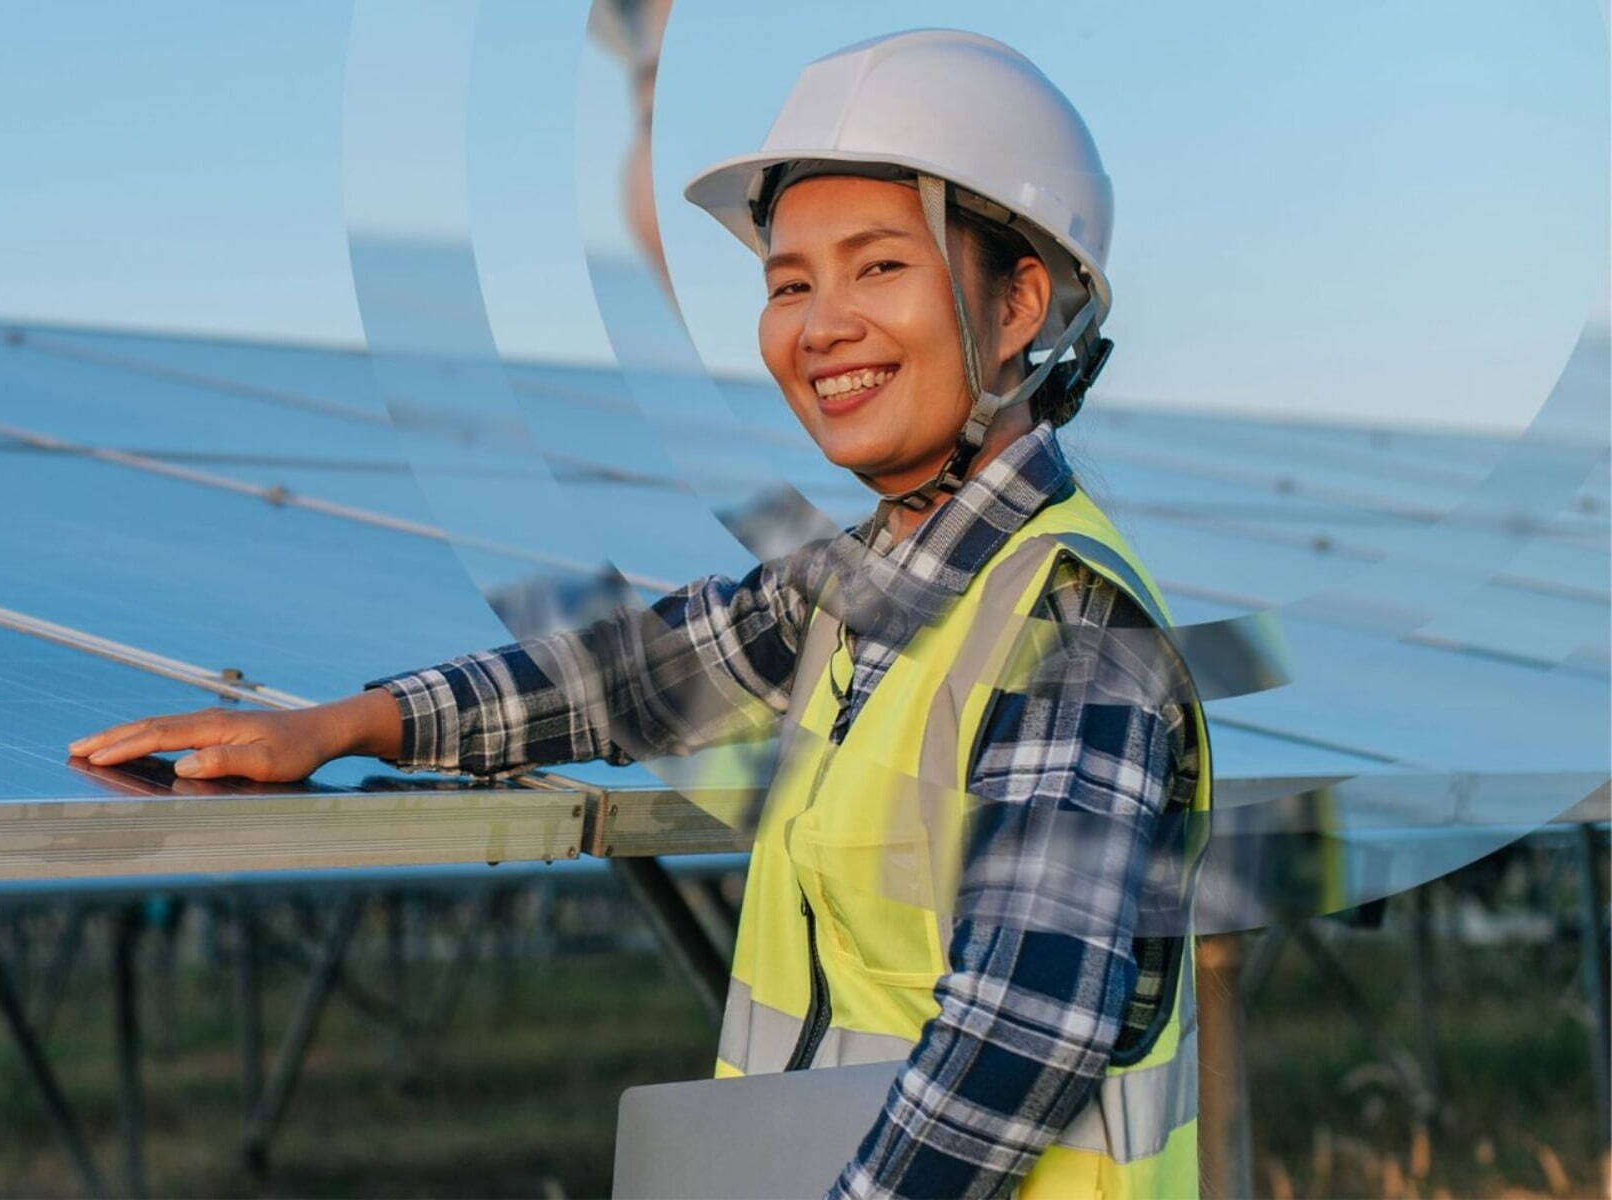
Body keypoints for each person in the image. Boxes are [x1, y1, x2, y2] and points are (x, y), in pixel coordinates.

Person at [70, 29, 1208, 1199]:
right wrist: (348, 725)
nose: (820, 327)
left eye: (878, 269)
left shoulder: (1068, 632)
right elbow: (629, 675)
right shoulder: (859, 589)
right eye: (787, 284)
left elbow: (1021, 1035)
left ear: (1017, 301)